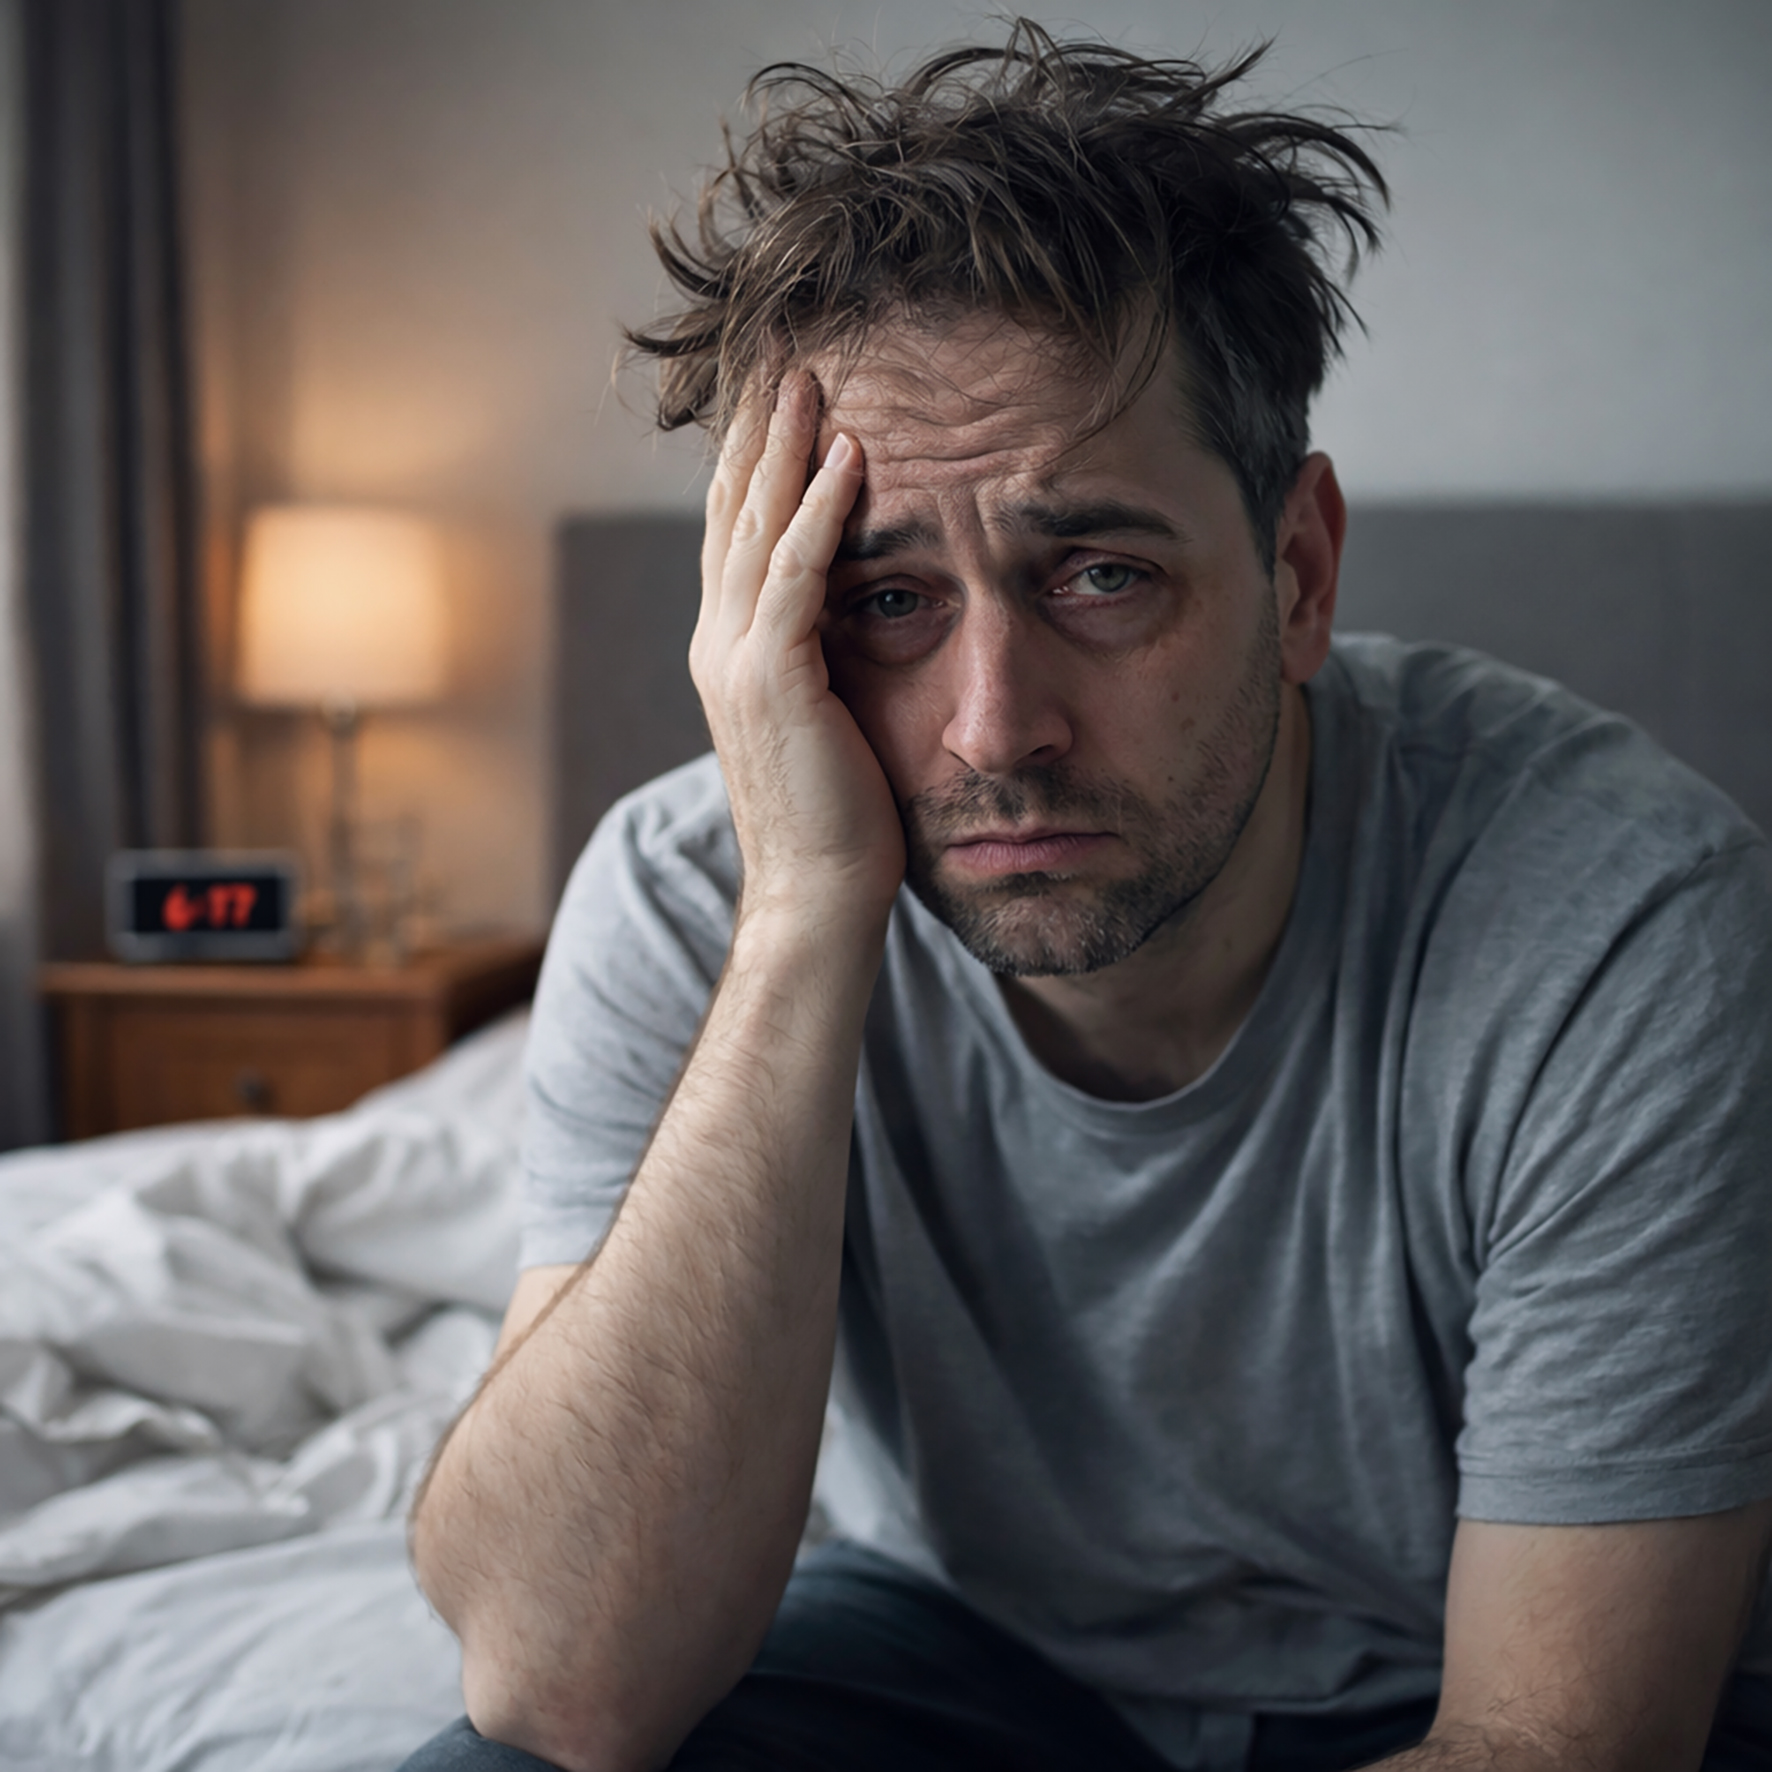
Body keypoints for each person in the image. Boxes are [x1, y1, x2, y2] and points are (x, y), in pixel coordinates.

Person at [402, 23, 1772, 1772]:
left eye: (1102, 574)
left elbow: (1549, 1745)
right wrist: (808, 915)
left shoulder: (1625, 923)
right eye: (885, 602)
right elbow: (559, 1684)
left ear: (1295, 574)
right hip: (965, 1653)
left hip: (1443, 1673)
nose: (995, 731)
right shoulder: (694, 894)